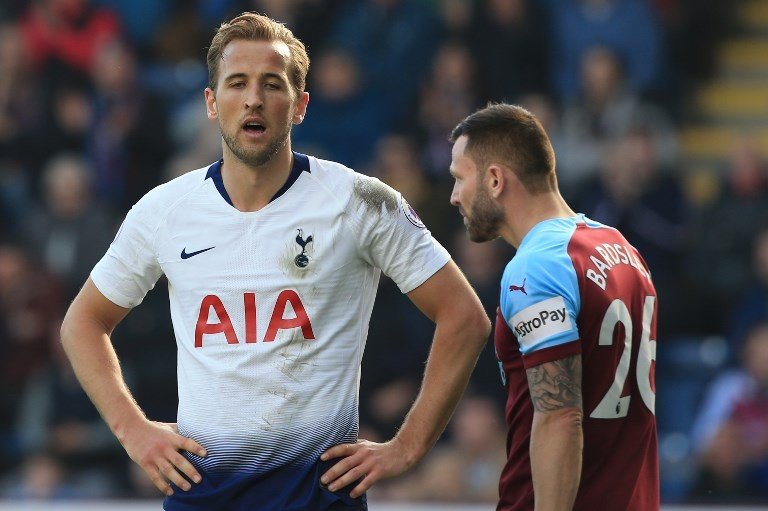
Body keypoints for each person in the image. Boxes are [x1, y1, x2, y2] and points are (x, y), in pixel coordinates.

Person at [59, 12, 491, 511]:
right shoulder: (163, 211)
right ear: (210, 103)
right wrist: (133, 431)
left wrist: (408, 446)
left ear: (301, 104)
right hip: (203, 495)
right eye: (236, 83)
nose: (253, 99)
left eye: (272, 84)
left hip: (319, 497)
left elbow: (464, 317)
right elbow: (82, 324)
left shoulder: (362, 201)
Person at [447, 103, 659, 510]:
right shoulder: (622, 249)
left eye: (459, 179)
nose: (454, 196)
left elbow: (561, 416)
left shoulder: (537, 267)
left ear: (494, 180)